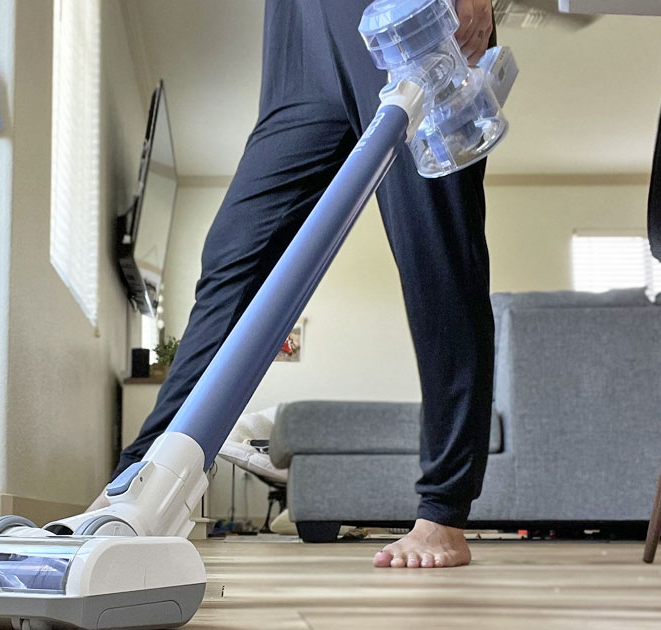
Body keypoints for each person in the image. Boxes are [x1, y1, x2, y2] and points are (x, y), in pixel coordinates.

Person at [95, 0, 496, 570]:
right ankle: (135, 489)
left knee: (436, 255)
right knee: (234, 255)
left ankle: (443, 514)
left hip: (405, 13)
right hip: (300, 32)